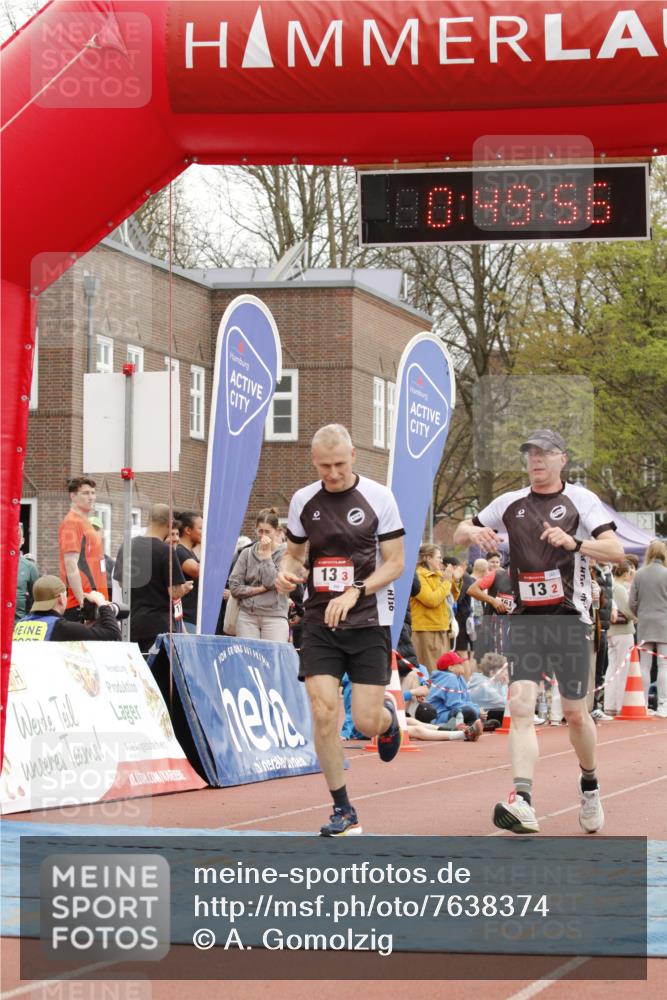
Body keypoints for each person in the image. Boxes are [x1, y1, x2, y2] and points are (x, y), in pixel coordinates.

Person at [454, 428, 624, 835]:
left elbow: (616, 551)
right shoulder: (510, 502)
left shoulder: (581, 501)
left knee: (574, 714)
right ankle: (523, 799)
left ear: (562, 458)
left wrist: (575, 543)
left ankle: (589, 784)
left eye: (545, 453)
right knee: (520, 706)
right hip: (527, 618)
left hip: (570, 618)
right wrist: (471, 532)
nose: (536, 460)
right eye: (530, 453)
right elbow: (461, 530)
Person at [276, 424, 405, 837]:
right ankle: (343, 808)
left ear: (353, 455)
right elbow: (296, 555)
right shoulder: (303, 500)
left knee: (365, 722)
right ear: (314, 462)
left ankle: (387, 719)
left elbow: (395, 562)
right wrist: (286, 573)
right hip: (320, 621)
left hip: (367, 619)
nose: (331, 474)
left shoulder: (378, 497)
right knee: (325, 711)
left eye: (338, 464)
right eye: (323, 466)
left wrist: (356, 591)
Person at [113, 503, 192, 655]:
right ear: (169, 524)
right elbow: (174, 593)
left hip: (132, 623)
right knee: (158, 675)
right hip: (159, 626)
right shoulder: (166, 551)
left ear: (149, 520)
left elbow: (122, 583)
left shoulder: (127, 546)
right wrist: (184, 588)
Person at [229, 508, 290, 642]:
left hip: (274, 615)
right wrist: (259, 589)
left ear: (277, 531)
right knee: (248, 659)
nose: (263, 536)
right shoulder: (246, 553)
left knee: (272, 659)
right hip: (247, 615)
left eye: (267, 531)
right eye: (260, 531)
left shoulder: (285, 553)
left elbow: (271, 581)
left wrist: (267, 556)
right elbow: (234, 586)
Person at [58, 476, 108, 619]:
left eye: (93, 492)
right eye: (85, 493)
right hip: (82, 604)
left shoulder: (84, 522)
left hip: (95, 600)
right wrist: (82, 601)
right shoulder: (72, 522)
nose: (91, 497)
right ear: (73, 496)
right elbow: (70, 562)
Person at [13, 576, 121, 642]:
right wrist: (102, 603)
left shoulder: (20, 625)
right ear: (61, 598)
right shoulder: (60, 628)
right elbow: (113, 634)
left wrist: (90, 626)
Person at [629, 540, 667, 716]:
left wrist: (641, 613)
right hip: (664, 624)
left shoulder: (639, 574)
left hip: (644, 623)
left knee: (644, 665)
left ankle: (642, 703)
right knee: (663, 666)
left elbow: (632, 602)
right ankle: (663, 704)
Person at [410, 543, 454, 672]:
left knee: (442, 671)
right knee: (432, 671)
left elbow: (452, 598)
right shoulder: (419, 575)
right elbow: (431, 600)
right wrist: (446, 582)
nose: (441, 561)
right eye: (439, 557)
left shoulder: (438, 574)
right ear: (428, 558)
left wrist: (454, 580)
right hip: (426, 630)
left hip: (440, 627)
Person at [604, 560, 637, 715]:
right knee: (622, 669)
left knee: (612, 668)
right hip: (623, 631)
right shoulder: (620, 589)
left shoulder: (611, 585)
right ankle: (619, 705)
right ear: (625, 573)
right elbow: (628, 610)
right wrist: (636, 617)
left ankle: (609, 704)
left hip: (612, 631)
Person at [174, 510, 202, 633]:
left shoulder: (190, 552)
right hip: (186, 617)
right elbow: (198, 571)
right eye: (200, 528)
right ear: (188, 530)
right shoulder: (180, 551)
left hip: (194, 616)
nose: (204, 533)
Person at [15, 522, 39, 622]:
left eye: (17, 537)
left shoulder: (29, 568)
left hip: (19, 627)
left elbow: (37, 600)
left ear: (22, 541)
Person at [88, 515, 115, 596]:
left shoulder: (109, 562)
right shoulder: (77, 559)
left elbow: (115, 586)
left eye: (96, 529)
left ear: (102, 533)